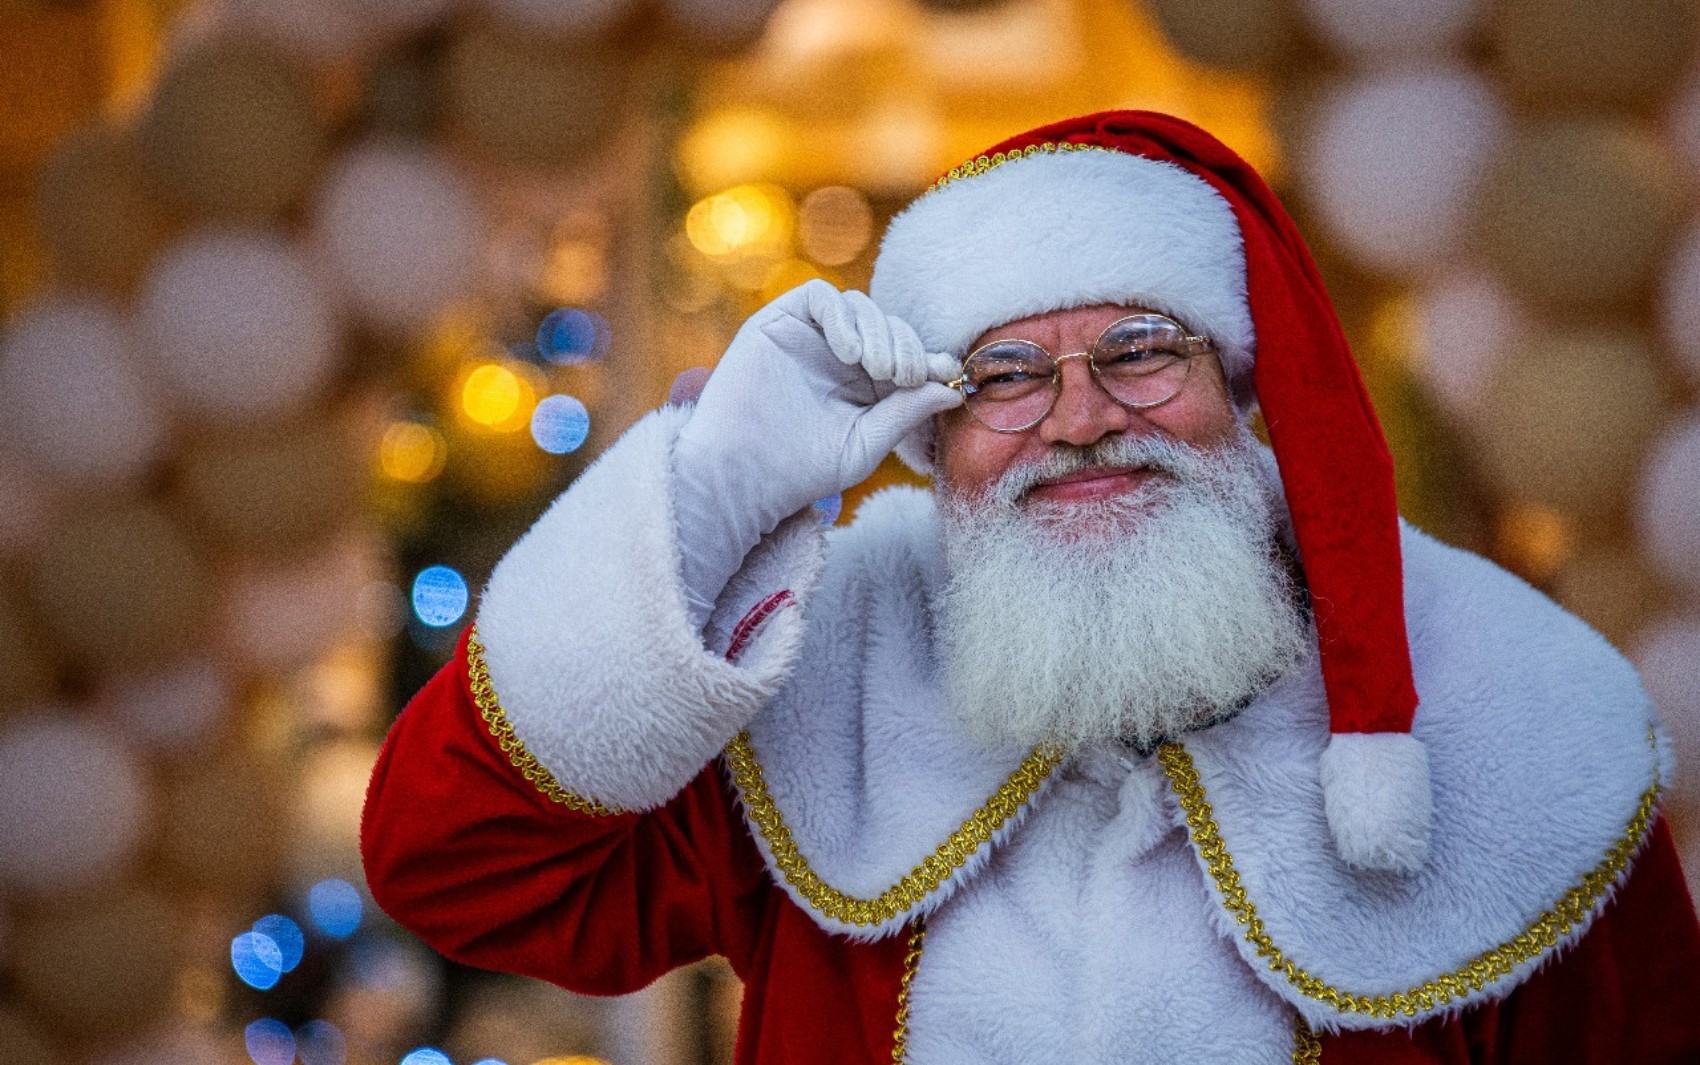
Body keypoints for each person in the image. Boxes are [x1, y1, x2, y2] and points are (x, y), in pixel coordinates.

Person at [361, 112, 1700, 1063]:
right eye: (1003, 375)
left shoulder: (1514, 708)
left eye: (1139, 351)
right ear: (933, 436)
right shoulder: (831, 662)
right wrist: (713, 497)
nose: (1078, 418)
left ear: (1243, 394)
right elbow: (456, 863)